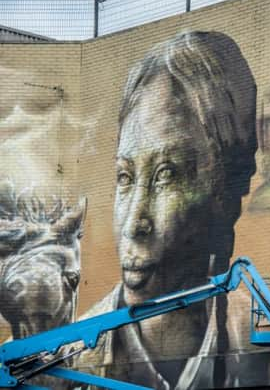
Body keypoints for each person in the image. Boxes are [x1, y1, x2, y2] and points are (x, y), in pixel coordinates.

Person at [72, 31, 259, 390]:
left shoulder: (260, 343)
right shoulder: (72, 359)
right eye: (124, 177)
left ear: (227, 190)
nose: (134, 223)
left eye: (166, 174)